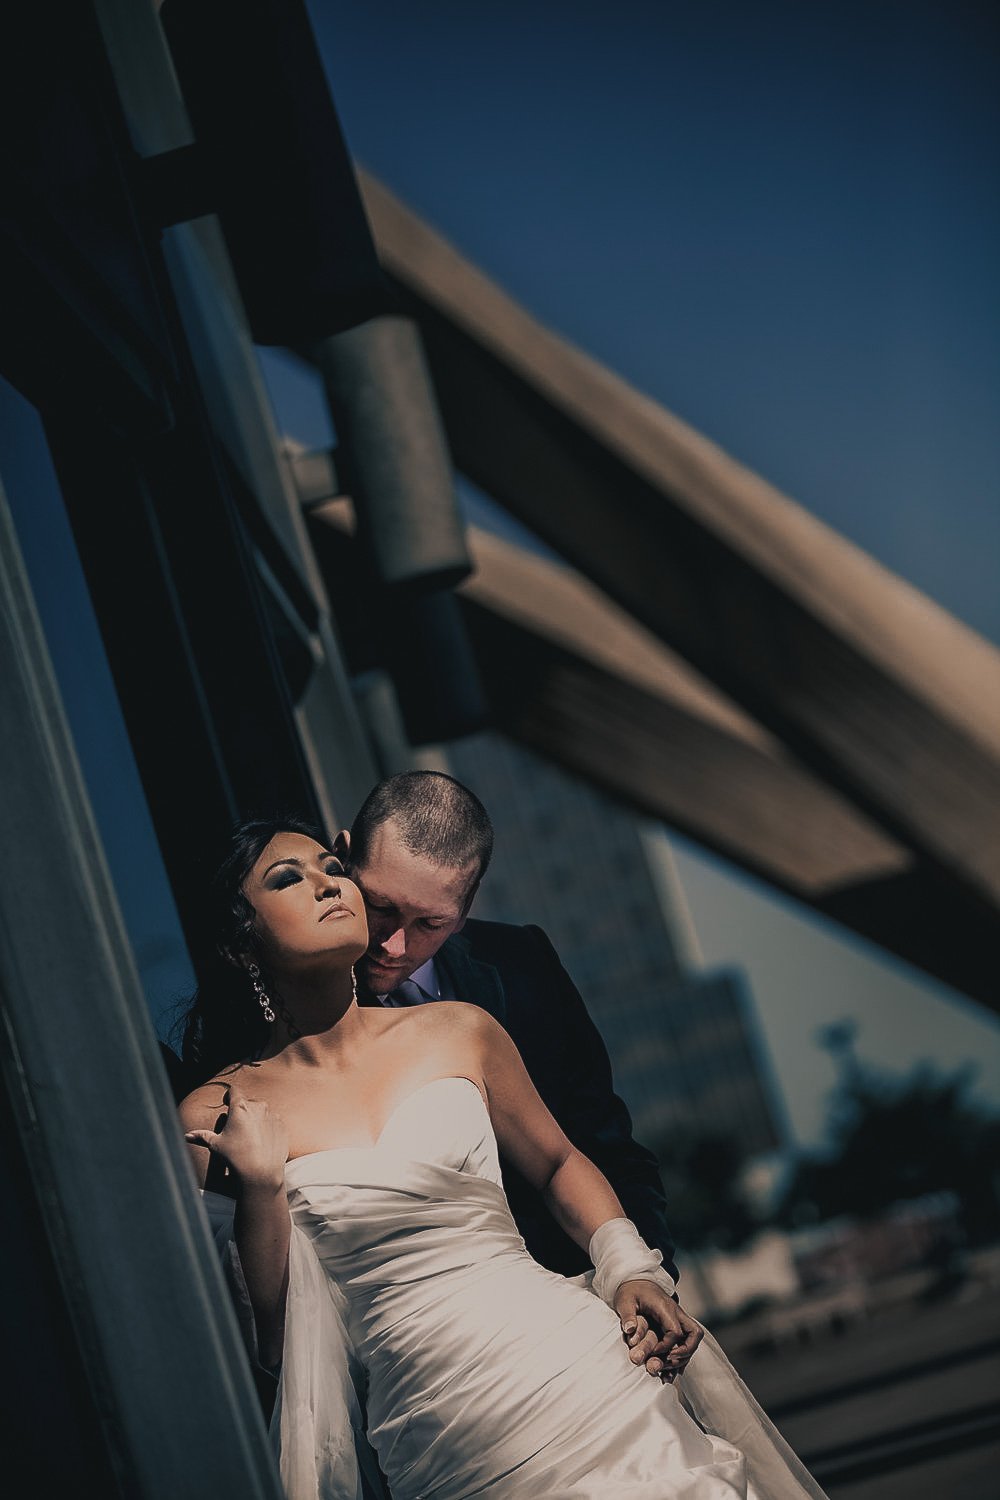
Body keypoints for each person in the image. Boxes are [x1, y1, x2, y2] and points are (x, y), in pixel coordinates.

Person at [179, 817, 826, 1500]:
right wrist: (258, 1188)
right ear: (239, 940)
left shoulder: (460, 1029)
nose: (326, 885)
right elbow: (274, 1345)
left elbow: (556, 1164)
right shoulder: (211, 1116)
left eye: (331, 869)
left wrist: (629, 1267)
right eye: (288, 879)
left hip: (581, 1369)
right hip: (440, 1433)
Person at [330, 770, 676, 1283]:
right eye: (381, 906)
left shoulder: (523, 963)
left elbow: (603, 1140)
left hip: (577, 1290)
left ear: (465, 910)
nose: (394, 945)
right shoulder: (289, 1004)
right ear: (342, 860)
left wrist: (649, 1273)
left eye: (430, 923)